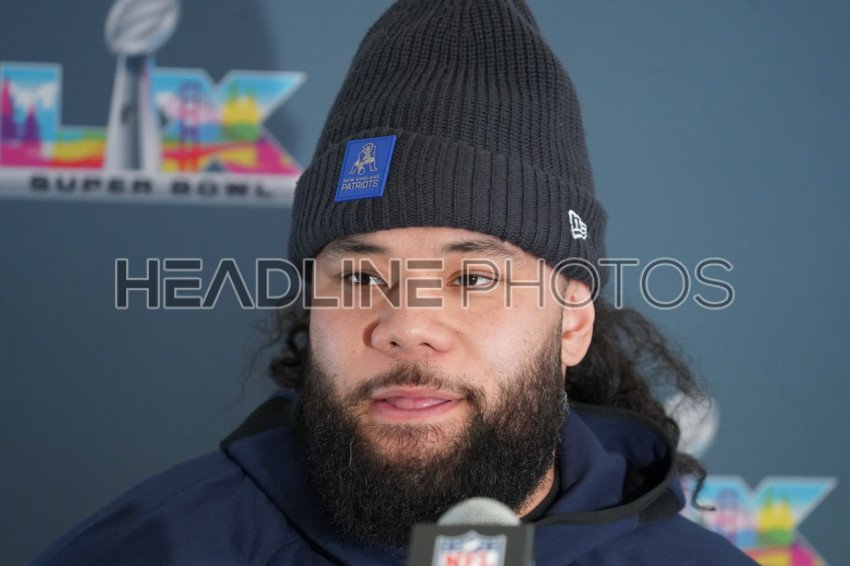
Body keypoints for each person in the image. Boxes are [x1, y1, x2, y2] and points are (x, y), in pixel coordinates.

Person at [35, 1, 756, 564]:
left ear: (572, 322)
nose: (406, 324)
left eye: (473, 276)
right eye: (358, 275)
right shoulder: (160, 546)